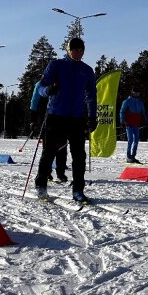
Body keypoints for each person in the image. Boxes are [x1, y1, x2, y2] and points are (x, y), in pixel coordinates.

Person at [34, 37, 97, 203]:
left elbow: (91, 96)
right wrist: (48, 90)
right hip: (56, 115)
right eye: (75, 49)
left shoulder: (87, 70)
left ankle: (78, 190)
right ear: (68, 50)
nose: (78, 52)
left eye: (81, 49)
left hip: (77, 118)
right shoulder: (56, 65)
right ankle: (41, 185)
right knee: (49, 152)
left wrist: (92, 116)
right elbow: (40, 87)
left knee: (79, 156)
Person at [30, 80, 68, 183]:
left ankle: (61, 173)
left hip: (60, 117)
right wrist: (33, 120)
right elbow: (34, 102)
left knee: (62, 146)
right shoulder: (40, 84)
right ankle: (46, 172)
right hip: (45, 118)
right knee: (48, 148)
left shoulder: (61, 82)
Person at [119, 88, 148, 163]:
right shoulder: (127, 101)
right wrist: (122, 121)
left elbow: (143, 112)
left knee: (136, 140)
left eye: (138, 93)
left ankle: (133, 156)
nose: (137, 94)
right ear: (132, 92)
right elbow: (122, 112)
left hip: (136, 123)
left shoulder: (140, 102)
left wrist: (146, 120)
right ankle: (128, 156)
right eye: (135, 93)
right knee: (130, 140)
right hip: (128, 123)